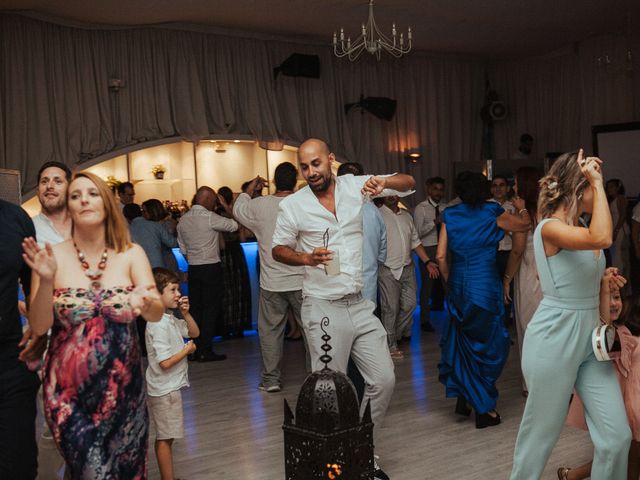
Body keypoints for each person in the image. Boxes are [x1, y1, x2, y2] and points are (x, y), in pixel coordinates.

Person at [272, 138, 419, 480]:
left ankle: (360, 449)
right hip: (323, 308)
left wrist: (384, 182)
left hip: (360, 306)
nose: (311, 172)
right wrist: (306, 258)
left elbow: (408, 183)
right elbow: (279, 249)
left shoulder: (355, 186)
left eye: (316, 164)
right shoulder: (294, 206)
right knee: (329, 392)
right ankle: (333, 465)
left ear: (331, 160)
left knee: (383, 380)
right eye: (304, 167)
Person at [22, 171, 164, 479]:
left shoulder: (131, 254)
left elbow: (154, 314)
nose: (83, 199)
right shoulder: (53, 257)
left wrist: (146, 301)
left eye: (92, 193)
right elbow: (38, 324)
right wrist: (46, 280)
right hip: (68, 396)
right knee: (92, 472)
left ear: (107, 203)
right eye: (75, 195)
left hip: (125, 394)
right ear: (69, 207)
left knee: (126, 472)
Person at [510, 150, 631, 479]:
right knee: (539, 440)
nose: (601, 197)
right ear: (580, 189)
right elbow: (602, 237)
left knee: (616, 438)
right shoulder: (549, 228)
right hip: (555, 337)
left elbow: (590, 269)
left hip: (590, 341)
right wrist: (595, 179)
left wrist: (604, 282)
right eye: (596, 190)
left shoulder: (578, 225)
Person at [436, 171, 530, 428]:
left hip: (459, 282)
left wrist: (450, 282)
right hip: (485, 283)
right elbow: (523, 226)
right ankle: (484, 408)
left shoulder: (450, 214)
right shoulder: (492, 212)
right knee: (492, 344)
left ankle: (467, 396)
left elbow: (441, 257)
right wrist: (522, 209)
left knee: (464, 342)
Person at [233, 164, 307, 392]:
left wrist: (250, 188)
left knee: (270, 333)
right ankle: (317, 377)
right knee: (312, 332)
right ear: (295, 180)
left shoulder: (259, 205)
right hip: (302, 279)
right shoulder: (304, 203)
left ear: (273, 181)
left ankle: (271, 380)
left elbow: (237, 209)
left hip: (272, 281)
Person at [559, 287, 639, 480]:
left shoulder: (625, 331)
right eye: (608, 298)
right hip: (620, 403)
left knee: (627, 453)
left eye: (617, 297)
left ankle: (572, 475)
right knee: (623, 451)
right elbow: (605, 347)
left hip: (630, 399)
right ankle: (573, 475)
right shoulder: (605, 335)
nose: (614, 303)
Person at [31, 161, 73, 479]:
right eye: (44, 180)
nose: (50, 186)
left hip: (91, 339)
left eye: (57, 180)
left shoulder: (87, 225)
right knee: (56, 427)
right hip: (49, 342)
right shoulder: (28, 226)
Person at [337, 161, 387, 401]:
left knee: (342, 355)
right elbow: (382, 254)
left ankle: (349, 402)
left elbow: (329, 262)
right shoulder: (375, 213)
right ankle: (361, 401)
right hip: (368, 295)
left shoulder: (334, 211)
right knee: (364, 354)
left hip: (341, 296)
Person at [146, 268, 200, 480]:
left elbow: (194, 332)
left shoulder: (167, 318)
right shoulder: (157, 324)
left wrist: (185, 314)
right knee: (165, 438)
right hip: (164, 389)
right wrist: (186, 350)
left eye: (178, 289)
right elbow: (165, 362)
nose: (178, 294)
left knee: (168, 437)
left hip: (169, 387)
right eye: (173, 290)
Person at [0, 199, 39, 479]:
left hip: (9, 357)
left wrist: (38, 328)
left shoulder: (15, 218)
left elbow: (31, 280)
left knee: (20, 460)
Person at [177, 186, 237, 361]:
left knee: (195, 309)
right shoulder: (210, 217)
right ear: (209, 200)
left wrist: (193, 261)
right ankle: (205, 350)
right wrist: (226, 207)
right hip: (211, 267)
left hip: (194, 268)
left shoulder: (183, 219)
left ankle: (194, 348)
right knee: (210, 310)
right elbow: (235, 225)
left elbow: (182, 248)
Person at [378, 195, 438, 359]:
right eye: (388, 192)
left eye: (395, 192)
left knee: (410, 305)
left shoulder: (406, 215)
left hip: (407, 267)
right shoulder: (377, 214)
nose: (391, 195)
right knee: (390, 309)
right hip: (386, 268)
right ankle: (390, 346)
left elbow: (415, 241)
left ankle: (394, 335)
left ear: (399, 195)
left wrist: (427, 261)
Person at [502, 166, 542, 396]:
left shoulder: (523, 215)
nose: (514, 187)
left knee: (529, 329)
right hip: (550, 277)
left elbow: (517, 252)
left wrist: (506, 279)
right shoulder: (551, 210)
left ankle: (532, 385)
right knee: (552, 331)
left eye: (516, 183)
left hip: (528, 276)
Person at [216, 186, 252, 337]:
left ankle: (226, 328)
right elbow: (242, 233)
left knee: (226, 291)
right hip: (236, 253)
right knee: (239, 289)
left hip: (223, 255)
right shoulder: (234, 214)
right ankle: (239, 327)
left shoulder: (215, 214)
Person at [413, 177, 446, 332]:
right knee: (427, 287)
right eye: (435, 189)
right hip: (428, 250)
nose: (438, 192)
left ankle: (454, 317)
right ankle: (425, 320)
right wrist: (435, 222)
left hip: (445, 249)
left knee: (448, 283)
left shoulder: (446, 207)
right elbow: (417, 233)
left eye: (440, 189)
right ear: (429, 190)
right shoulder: (422, 208)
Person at [490, 174, 516, 325]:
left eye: (501, 185)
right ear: (491, 189)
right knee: (492, 289)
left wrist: (507, 227)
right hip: (491, 253)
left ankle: (505, 322)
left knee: (508, 289)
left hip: (508, 253)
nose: (498, 188)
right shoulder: (485, 206)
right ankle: (493, 324)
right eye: (495, 185)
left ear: (507, 189)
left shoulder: (513, 207)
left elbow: (519, 233)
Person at [32, 161, 73, 247]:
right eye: (44, 182)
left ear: (70, 189)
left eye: (58, 181)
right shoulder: (28, 228)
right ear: (38, 191)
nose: (49, 186)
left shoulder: (84, 225)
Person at [131, 199, 178, 269]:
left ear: (152, 211)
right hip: (159, 260)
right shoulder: (150, 224)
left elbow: (172, 243)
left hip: (166, 259)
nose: (142, 214)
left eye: (144, 211)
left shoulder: (166, 223)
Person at [606, 179, 629, 279]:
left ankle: (621, 282)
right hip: (614, 229)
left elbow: (623, 215)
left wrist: (616, 230)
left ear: (617, 188)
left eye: (611, 187)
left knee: (619, 257)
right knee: (615, 256)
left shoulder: (621, 198)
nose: (609, 189)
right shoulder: (611, 200)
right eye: (608, 187)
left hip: (620, 230)